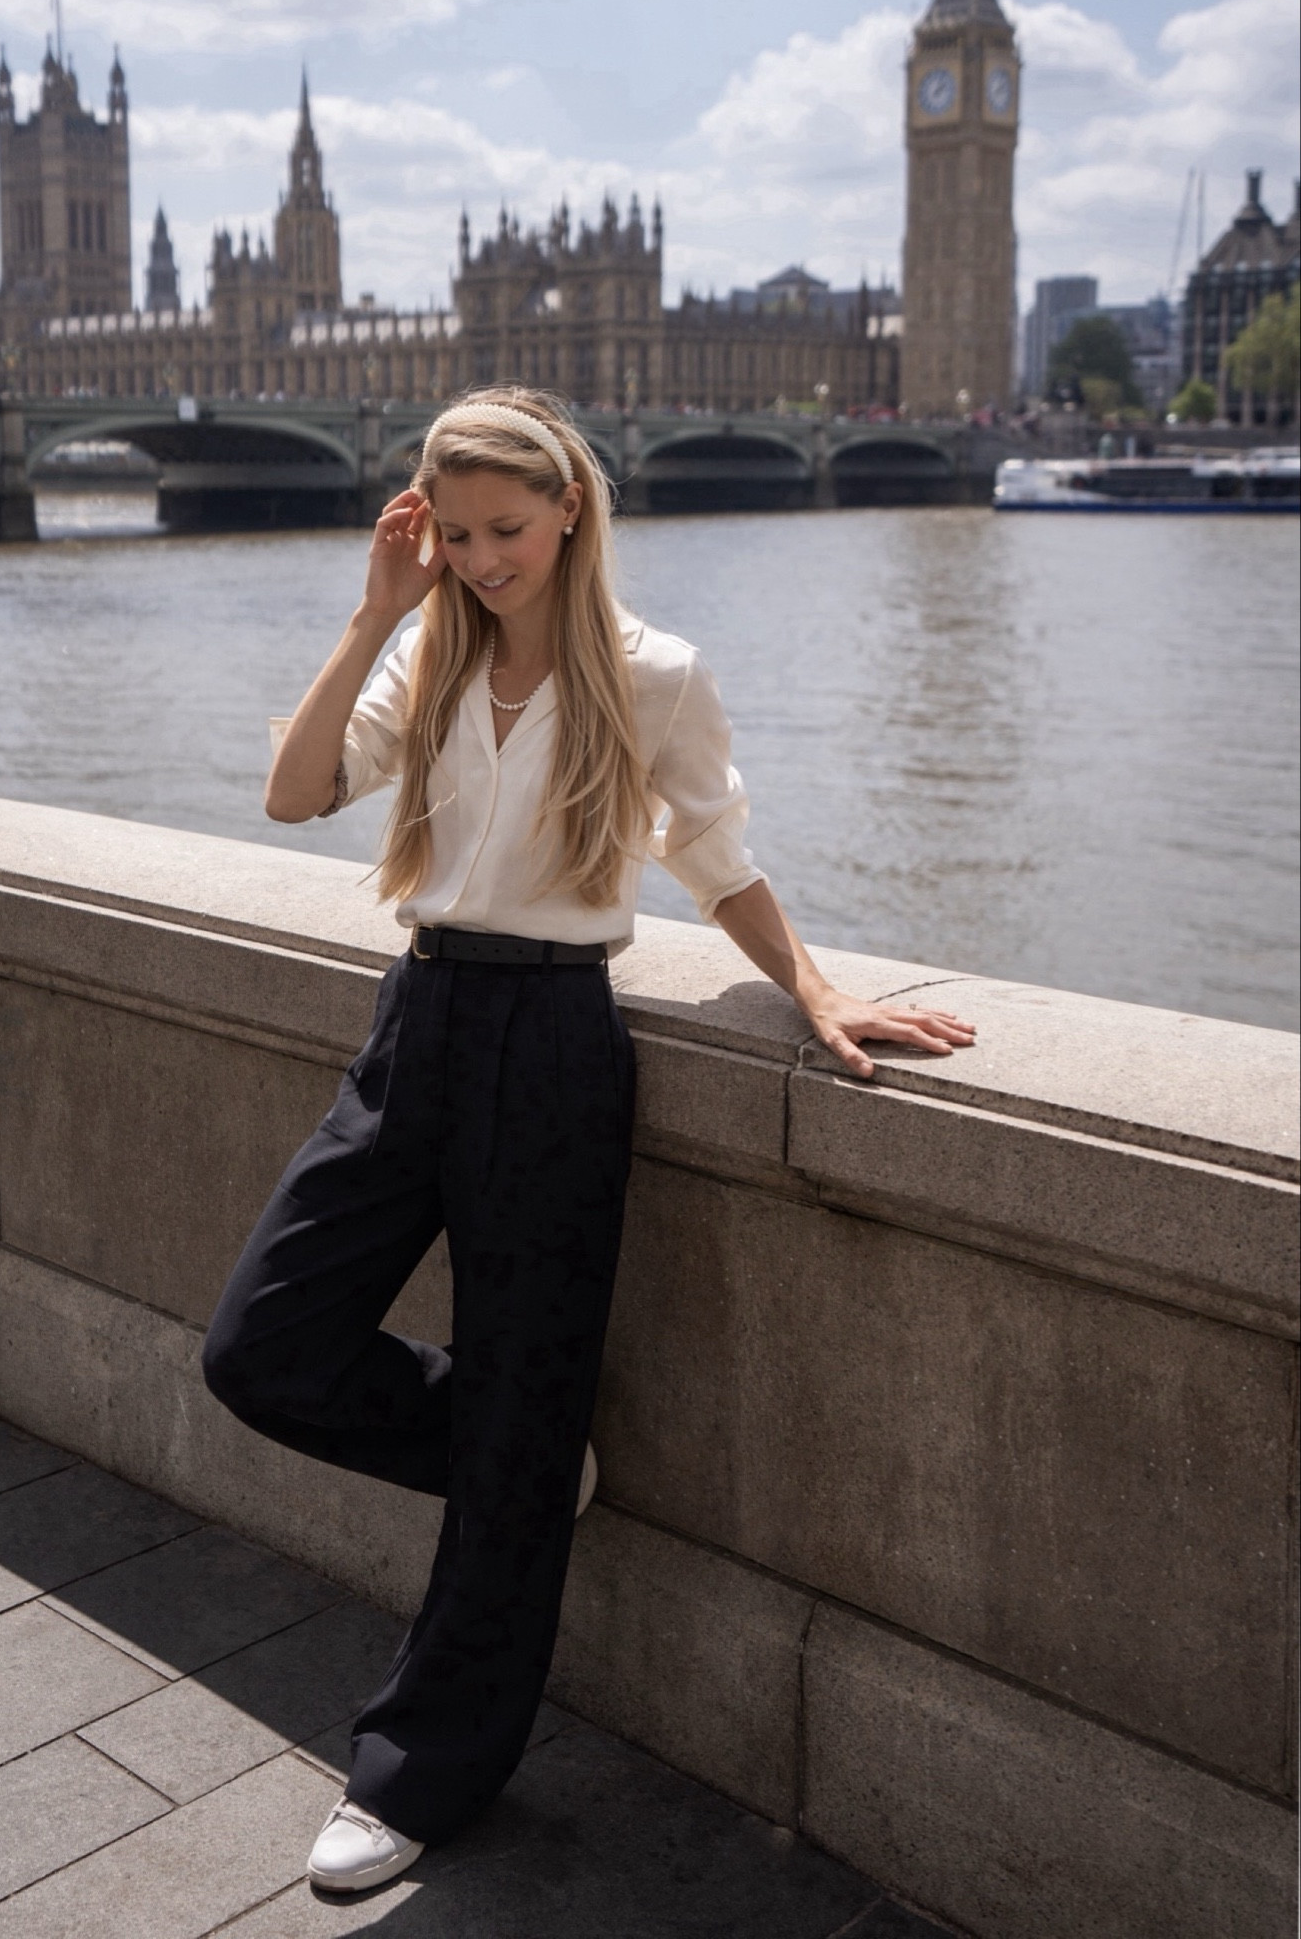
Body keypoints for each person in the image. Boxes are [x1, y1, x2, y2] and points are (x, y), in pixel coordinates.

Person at [201, 388, 975, 1894]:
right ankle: (523, 1460)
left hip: (558, 1044)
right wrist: (374, 615)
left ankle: (416, 1774)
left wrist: (816, 989)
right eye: (461, 535)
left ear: (571, 510)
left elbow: (712, 854)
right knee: (259, 1348)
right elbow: (293, 796)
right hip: (417, 1023)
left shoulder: (656, 675)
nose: (486, 561)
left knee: (518, 1400)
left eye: (509, 531)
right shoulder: (426, 650)